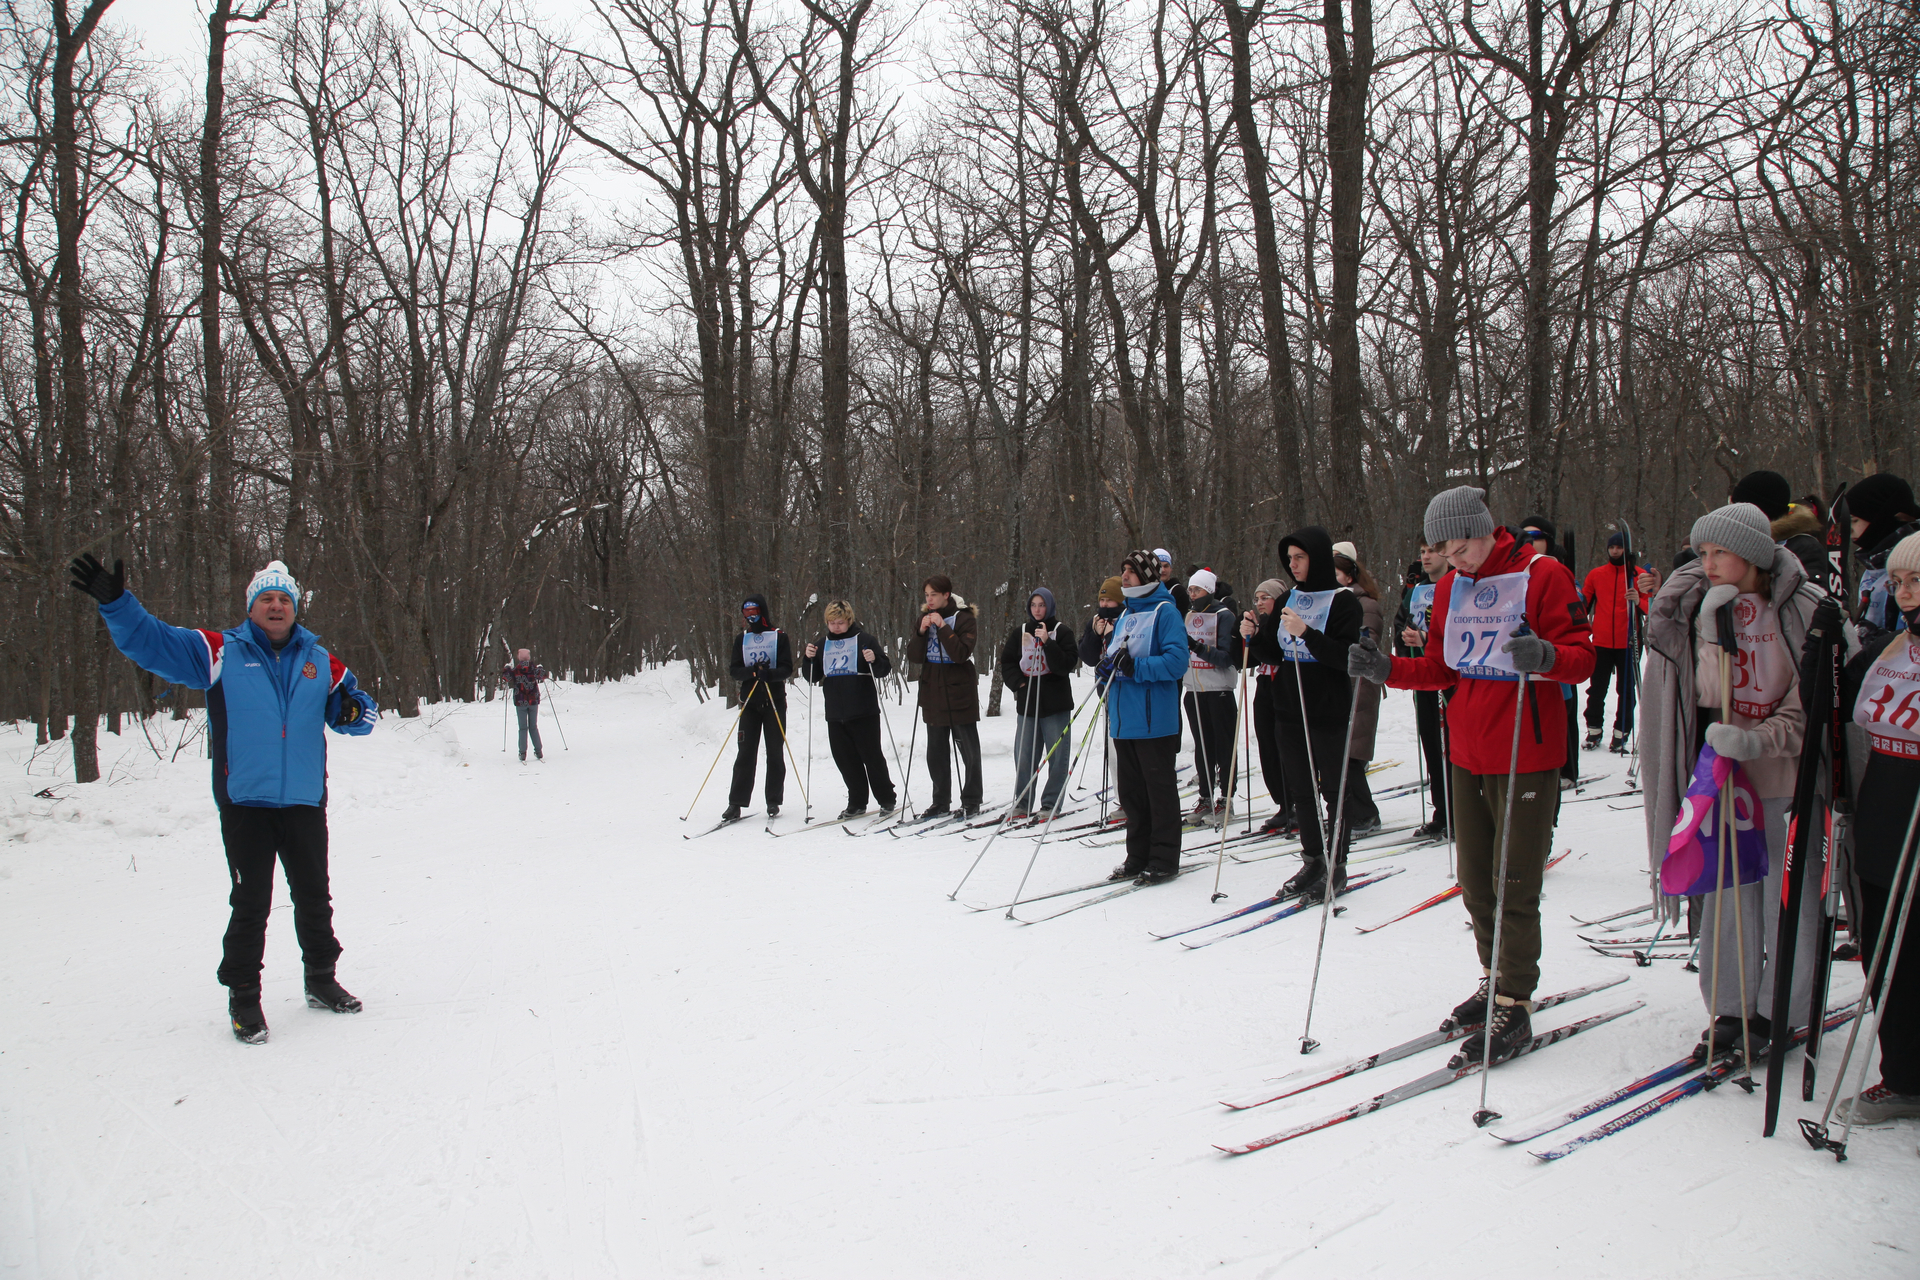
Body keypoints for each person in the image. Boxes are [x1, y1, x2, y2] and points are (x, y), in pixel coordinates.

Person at [70, 554, 378, 1044]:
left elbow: (361, 713)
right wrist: (118, 605)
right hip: (245, 802)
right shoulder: (218, 652)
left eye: (284, 599)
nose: (276, 606)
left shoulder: (322, 662)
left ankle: (321, 980)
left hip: (303, 801)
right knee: (251, 902)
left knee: (314, 897)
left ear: (295, 607)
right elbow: (152, 642)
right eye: (266, 599)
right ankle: (244, 997)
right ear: (251, 607)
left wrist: (353, 711)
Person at [1348, 486, 1595, 1063]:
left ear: (1485, 529)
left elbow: (1582, 657)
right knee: (1475, 879)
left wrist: (1547, 656)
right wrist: (1387, 668)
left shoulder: (1542, 574)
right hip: (1467, 748)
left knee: (1515, 880)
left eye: (1460, 548)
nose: (1453, 561)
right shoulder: (1451, 587)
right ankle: (1494, 976)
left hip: (1525, 747)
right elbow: (1442, 668)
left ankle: (1515, 998)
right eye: (1444, 553)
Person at [1640, 502, 1825, 1062]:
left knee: (1787, 902)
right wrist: (1708, 633)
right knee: (1726, 897)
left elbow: (1809, 702)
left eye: (1720, 551)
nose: (1709, 563)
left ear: (1752, 553)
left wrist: (1758, 740)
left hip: (1784, 776)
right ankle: (1730, 1005)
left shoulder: (1802, 608)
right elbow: (1701, 696)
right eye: (1703, 552)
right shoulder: (1702, 603)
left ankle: (1779, 1009)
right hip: (1724, 780)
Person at [1834, 531, 1920, 1120]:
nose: (1905, 593)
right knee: (1887, 948)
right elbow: (1839, 707)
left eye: (1917, 581)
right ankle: (1905, 1074)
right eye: (1898, 582)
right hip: (1884, 806)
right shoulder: (1885, 651)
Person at [1245, 527, 1363, 902]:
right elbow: (1274, 652)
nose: (1293, 565)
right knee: (1301, 789)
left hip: (1327, 709)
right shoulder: (1288, 599)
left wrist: (1308, 633)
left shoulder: (1344, 601)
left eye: (1300, 557)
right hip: (1288, 709)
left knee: (1334, 790)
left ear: (1318, 558)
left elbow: (1345, 657)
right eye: (1290, 559)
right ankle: (1313, 858)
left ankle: (1337, 863)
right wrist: (1254, 636)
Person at [1100, 549, 1191, 884]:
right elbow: (1115, 657)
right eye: (1123, 569)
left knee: (1159, 792)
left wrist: (1135, 667)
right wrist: (1106, 670)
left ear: (1148, 576)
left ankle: (1164, 857)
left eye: (1132, 570)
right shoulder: (1126, 613)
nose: (1124, 576)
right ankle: (1137, 855)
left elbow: (1177, 662)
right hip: (1124, 719)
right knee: (1132, 795)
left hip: (1154, 720)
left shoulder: (1165, 611)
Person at [803, 600, 897, 820]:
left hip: (863, 710)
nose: (836, 627)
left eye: (840, 623)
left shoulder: (864, 640)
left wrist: (874, 659)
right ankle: (857, 802)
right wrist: (808, 659)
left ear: (849, 621)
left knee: (871, 757)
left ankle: (886, 798)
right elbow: (812, 677)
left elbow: (884, 669)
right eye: (832, 623)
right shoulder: (822, 644)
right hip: (835, 713)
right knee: (845, 760)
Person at [999, 587, 1079, 819]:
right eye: (1033, 605)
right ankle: (1022, 802)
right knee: (1024, 756)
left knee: (1057, 756)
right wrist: (1018, 683)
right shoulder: (1021, 632)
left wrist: (1047, 642)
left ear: (1049, 607)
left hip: (1055, 703)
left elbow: (1065, 665)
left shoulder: (1062, 631)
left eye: (1042, 605)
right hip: (1028, 702)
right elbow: (1007, 661)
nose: (1037, 610)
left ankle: (1051, 803)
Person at [907, 575, 982, 819]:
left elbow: (961, 654)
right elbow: (914, 657)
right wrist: (921, 632)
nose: (929, 600)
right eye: (926, 595)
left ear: (946, 595)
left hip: (959, 693)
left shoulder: (965, 618)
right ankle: (940, 801)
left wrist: (943, 627)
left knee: (968, 751)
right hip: (932, 692)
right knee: (936, 753)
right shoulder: (924, 617)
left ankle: (971, 800)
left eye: (934, 595)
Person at [1395, 540, 1449, 837]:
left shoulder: (1457, 584)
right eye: (1423, 552)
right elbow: (1400, 624)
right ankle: (1442, 810)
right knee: (1431, 742)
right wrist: (1406, 643)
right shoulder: (1416, 590)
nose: (1426, 557)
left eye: (1432, 551)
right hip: (1423, 675)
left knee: (1452, 745)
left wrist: (1427, 640)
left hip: (1450, 678)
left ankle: (1463, 810)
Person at [724, 594, 794, 821]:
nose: (750, 616)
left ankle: (773, 801)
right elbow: (734, 670)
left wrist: (769, 674)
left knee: (775, 752)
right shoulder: (742, 638)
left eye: (754, 611)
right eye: (746, 612)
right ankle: (736, 803)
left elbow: (787, 668)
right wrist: (753, 672)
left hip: (774, 701)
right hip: (750, 703)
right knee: (745, 753)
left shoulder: (779, 636)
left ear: (762, 611)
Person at [1579, 533, 1649, 753]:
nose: (1615, 551)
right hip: (1601, 642)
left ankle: (1621, 733)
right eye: (1612, 547)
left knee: (1626, 690)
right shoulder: (1597, 574)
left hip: (1629, 641)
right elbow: (1582, 606)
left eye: (1619, 547)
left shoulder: (1639, 575)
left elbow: (1653, 607)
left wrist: (1639, 601)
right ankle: (1594, 730)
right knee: (1597, 689)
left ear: (1626, 549)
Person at [1332, 543, 1385, 835]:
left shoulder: (1365, 603)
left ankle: (1366, 814)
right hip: (1341, 681)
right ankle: (1352, 810)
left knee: (1351, 753)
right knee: (1340, 752)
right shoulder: (1335, 601)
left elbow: (1367, 640)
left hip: (1359, 684)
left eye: (1335, 573)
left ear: (1349, 576)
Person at [1182, 569, 1242, 825]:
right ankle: (1205, 797)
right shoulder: (1189, 615)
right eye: (1190, 590)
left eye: (1197, 590)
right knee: (1203, 747)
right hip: (1194, 690)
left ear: (1208, 590)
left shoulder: (1224, 615)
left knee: (1224, 747)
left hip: (1219, 689)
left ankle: (1226, 800)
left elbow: (1228, 657)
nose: (1192, 595)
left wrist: (1197, 647)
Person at [1243, 577, 1296, 835]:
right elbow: (1247, 658)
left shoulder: (1288, 621)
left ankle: (1297, 802)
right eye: (1257, 598)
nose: (1260, 603)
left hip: (1284, 685)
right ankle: (1284, 802)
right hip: (1265, 684)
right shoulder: (1261, 623)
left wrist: (1256, 638)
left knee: (1286, 746)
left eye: (1266, 598)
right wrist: (1245, 635)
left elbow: (1276, 653)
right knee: (1267, 745)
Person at [1848, 472, 1919, 638]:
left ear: (1881, 518)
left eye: (1855, 520)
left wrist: (1874, 639)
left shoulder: (1913, 560)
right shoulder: (1872, 564)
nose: (1849, 529)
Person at [1732, 469, 1827, 585]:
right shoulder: (1734, 541)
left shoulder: (1804, 547)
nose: (1733, 514)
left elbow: (1811, 592)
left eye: (1739, 507)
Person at [502, 648, 547, 762]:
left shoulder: (516, 670)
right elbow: (542, 676)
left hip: (520, 701)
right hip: (533, 701)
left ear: (519, 657)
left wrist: (507, 668)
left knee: (522, 728)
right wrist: (540, 668)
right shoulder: (533, 669)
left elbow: (506, 678)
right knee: (533, 726)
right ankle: (539, 751)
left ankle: (522, 753)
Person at [1154, 548, 1191, 615]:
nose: (1163, 570)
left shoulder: (1178, 591)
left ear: (1170, 568)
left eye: (1166, 566)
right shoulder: (1147, 590)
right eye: (1159, 566)